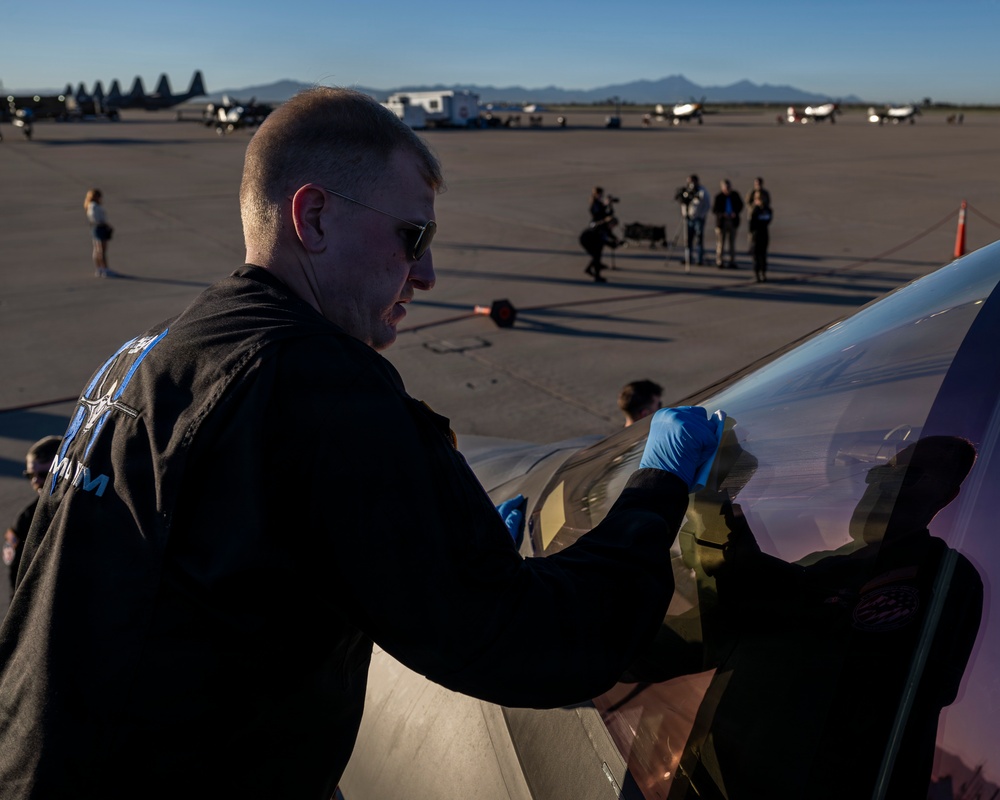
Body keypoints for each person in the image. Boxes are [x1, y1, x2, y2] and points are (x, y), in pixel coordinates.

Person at [0, 87, 722, 799]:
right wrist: (655, 489)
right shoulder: (315, 383)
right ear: (313, 216)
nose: (429, 274)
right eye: (413, 236)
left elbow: (56, 568)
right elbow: (534, 645)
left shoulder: (144, 359)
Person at [3, 436, 61, 594]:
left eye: (44, 475)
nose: (36, 482)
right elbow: (16, 576)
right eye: (30, 476)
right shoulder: (26, 520)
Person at [676, 174, 710, 267]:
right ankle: (688, 258)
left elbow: (707, 205)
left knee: (699, 239)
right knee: (688, 239)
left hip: (698, 218)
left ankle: (699, 259)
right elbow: (683, 203)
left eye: (692, 181)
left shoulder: (702, 191)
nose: (690, 183)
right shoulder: (686, 191)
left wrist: (701, 215)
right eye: (689, 181)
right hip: (688, 218)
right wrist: (684, 214)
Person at [712, 179, 743, 269]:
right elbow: (714, 210)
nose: (728, 189)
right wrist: (722, 214)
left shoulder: (735, 195)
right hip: (722, 223)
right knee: (720, 243)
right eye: (726, 187)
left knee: (732, 243)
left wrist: (735, 212)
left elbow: (740, 205)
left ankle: (732, 261)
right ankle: (720, 261)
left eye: (729, 187)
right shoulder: (719, 197)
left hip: (733, 222)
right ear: (722, 188)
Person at [579, 215, 619, 282]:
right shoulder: (601, 227)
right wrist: (612, 244)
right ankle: (597, 277)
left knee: (596, 256)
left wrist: (616, 239)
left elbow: (609, 234)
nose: (614, 227)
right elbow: (602, 239)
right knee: (597, 256)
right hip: (587, 240)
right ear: (610, 222)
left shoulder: (605, 226)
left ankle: (589, 269)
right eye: (614, 225)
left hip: (593, 240)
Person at [84, 188, 113, 277]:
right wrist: (105, 224)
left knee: (97, 249)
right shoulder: (94, 206)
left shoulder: (89, 205)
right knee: (101, 250)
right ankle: (105, 269)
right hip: (100, 227)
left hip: (95, 227)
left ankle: (99, 268)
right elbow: (96, 218)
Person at [748, 190, 773, 283]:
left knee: (760, 256)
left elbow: (754, 223)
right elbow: (753, 224)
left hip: (761, 235)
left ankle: (761, 273)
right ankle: (759, 274)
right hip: (759, 235)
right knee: (759, 256)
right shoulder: (759, 210)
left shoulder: (764, 210)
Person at [744, 177, 770, 252]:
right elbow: (747, 202)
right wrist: (754, 205)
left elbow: (768, 203)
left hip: (761, 215)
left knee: (762, 232)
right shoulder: (751, 192)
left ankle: (761, 247)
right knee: (751, 232)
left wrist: (762, 205)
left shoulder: (765, 193)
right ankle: (751, 247)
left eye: (759, 184)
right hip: (752, 215)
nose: (758, 185)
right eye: (756, 183)